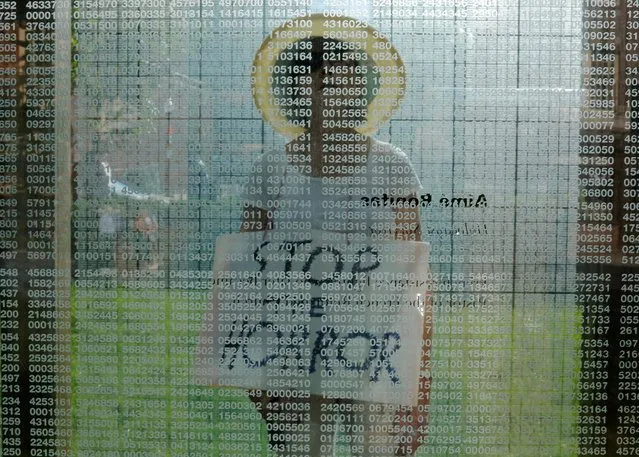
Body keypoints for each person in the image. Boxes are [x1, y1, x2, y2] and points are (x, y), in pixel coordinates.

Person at [237, 16, 431, 457]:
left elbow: (414, 277)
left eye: (351, 82)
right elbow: (245, 273)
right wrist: (251, 366)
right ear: (304, 88)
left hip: (378, 350)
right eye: (328, 82)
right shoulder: (272, 170)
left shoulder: (392, 166)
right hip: (293, 354)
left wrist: (421, 371)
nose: (342, 94)